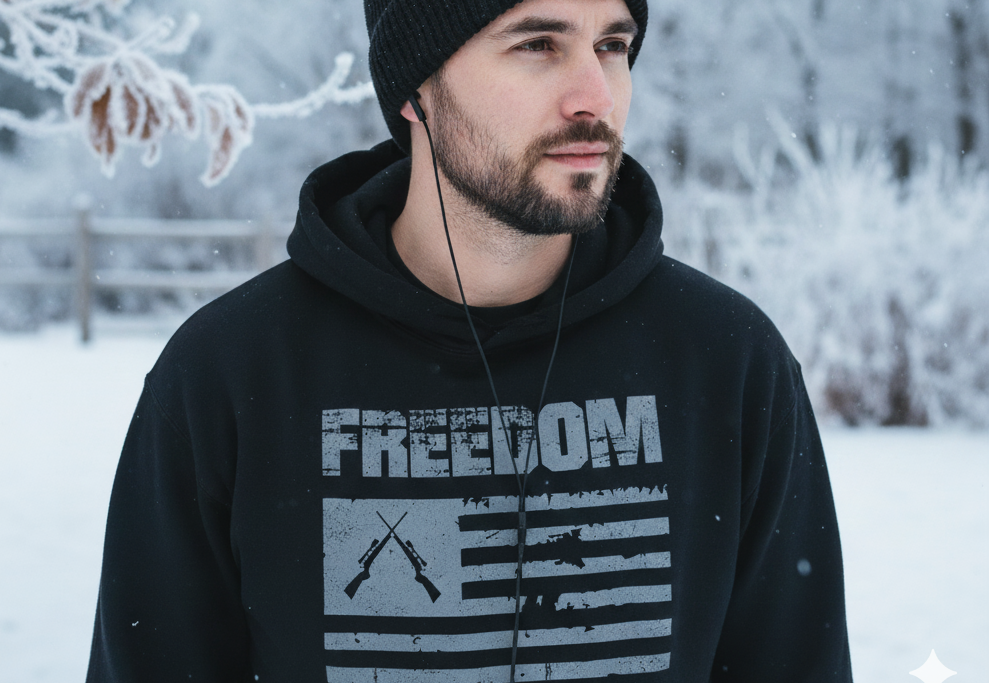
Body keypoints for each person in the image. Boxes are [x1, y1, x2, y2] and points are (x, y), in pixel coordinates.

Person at [86, 0, 852, 680]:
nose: (595, 96)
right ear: (417, 89)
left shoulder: (727, 362)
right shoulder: (231, 374)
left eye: (612, 45)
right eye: (537, 44)